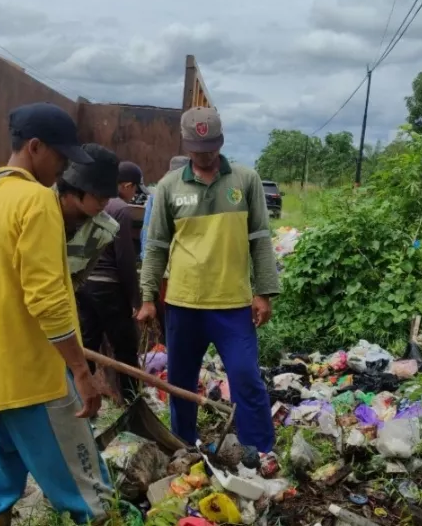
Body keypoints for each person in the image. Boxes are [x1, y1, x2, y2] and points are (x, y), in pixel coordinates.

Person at [0, 142, 121, 512]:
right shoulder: (23, 201)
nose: (104, 207)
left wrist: (67, 342)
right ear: (76, 190)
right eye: (100, 198)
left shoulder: (102, 229)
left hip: (50, 338)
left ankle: (38, 484)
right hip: (10, 343)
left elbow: (69, 285)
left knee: (26, 438)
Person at [0, 102, 110, 526]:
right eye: (61, 156)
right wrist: (81, 371)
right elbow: (46, 298)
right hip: (35, 379)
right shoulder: (37, 201)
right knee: (91, 496)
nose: (64, 167)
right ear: (34, 147)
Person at [137, 107, 280, 454]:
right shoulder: (169, 187)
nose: (206, 156)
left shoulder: (245, 180)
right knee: (181, 381)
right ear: (186, 145)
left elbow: (260, 239)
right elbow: (155, 246)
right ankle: (184, 444)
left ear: (221, 141)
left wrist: (264, 292)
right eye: (199, 150)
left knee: (245, 376)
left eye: (212, 147)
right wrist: (146, 297)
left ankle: (258, 450)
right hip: (184, 304)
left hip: (231, 305)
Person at [78, 160, 148, 401]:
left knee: (87, 343)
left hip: (84, 284)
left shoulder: (87, 201)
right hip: (109, 286)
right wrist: (135, 300)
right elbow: (125, 259)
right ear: (127, 185)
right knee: (125, 346)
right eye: (135, 189)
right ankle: (131, 400)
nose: (134, 195)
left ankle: (78, 395)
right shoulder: (119, 208)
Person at [139, 155, 190, 342]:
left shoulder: (158, 192)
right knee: (176, 324)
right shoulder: (169, 193)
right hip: (172, 272)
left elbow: (147, 238)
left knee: (169, 322)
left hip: (163, 271)